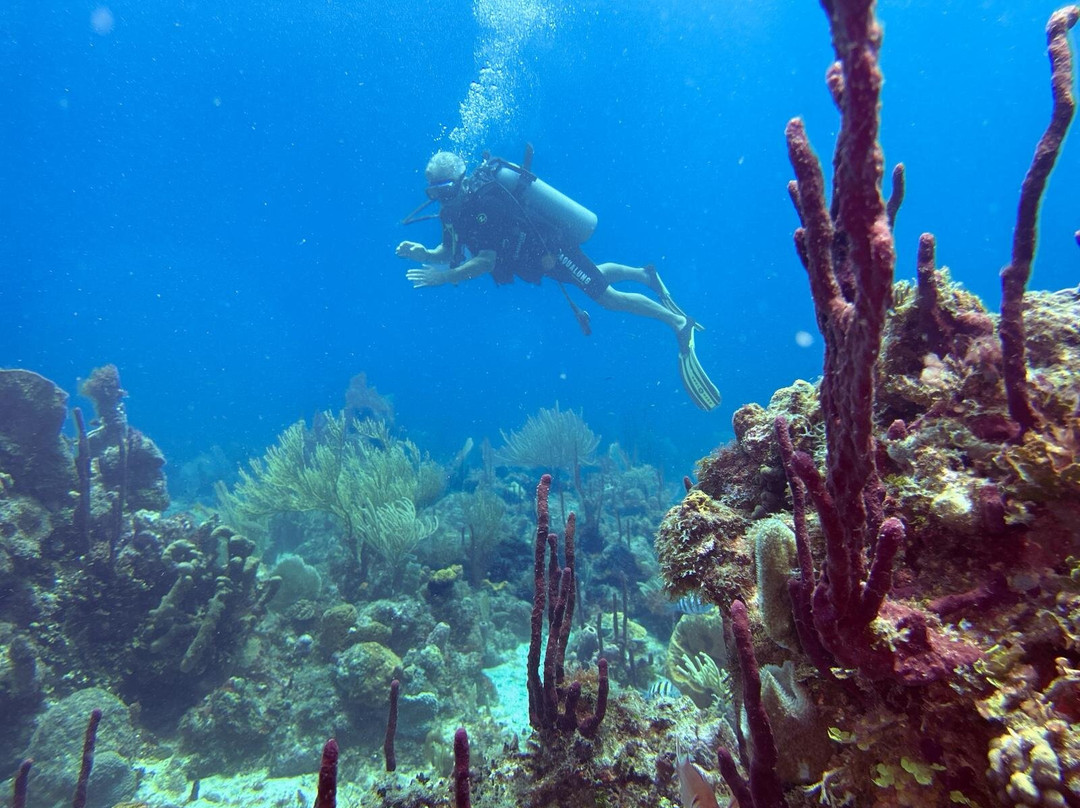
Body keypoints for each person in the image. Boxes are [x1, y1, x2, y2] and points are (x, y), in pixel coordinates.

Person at [395, 151, 721, 411]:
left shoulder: (486, 201)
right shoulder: (450, 212)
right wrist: (423, 251)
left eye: (447, 190)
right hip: (536, 261)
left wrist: (444, 278)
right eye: (433, 192)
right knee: (589, 277)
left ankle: (678, 322)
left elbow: (485, 261)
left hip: (551, 248)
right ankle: (644, 274)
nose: (442, 198)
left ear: (461, 181)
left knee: (605, 297)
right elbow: (447, 249)